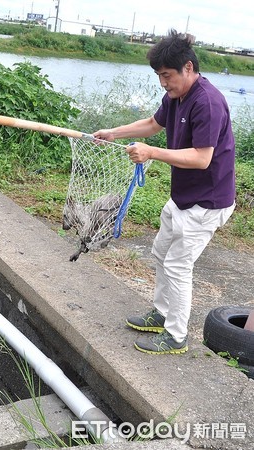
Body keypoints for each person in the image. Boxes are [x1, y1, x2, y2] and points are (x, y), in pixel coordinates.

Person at [93, 29, 236, 355]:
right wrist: (113, 133)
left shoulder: (208, 102)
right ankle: (161, 313)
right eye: (159, 76)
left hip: (207, 202)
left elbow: (202, 158)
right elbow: (153, 124)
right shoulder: (175, 97)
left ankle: (175, 336)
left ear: (188, 67)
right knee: (160, 254)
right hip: (183, 197)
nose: (163, 82)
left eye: (167, 75)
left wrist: (152, 152)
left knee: (177, 266)